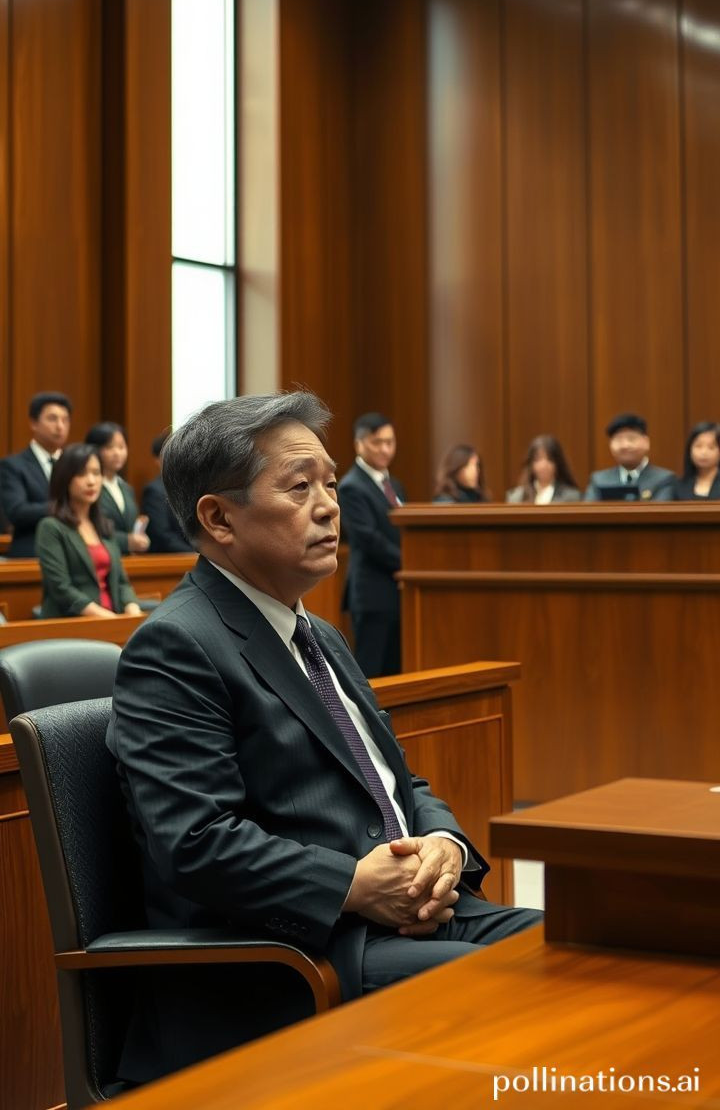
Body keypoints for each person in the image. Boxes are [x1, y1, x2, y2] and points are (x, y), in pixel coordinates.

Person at [106, 391, 541, 1085]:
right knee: (520, 990)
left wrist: (443, 846)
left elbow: (397, 782)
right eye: (299, 486)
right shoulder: (175, 646)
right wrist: (354, 885)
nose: (329, 506)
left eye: (331, 484)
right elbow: (195, 840)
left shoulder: (321, 635)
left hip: (402, 922)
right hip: (291, 956)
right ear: (218, 518)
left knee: (593, 954)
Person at [35, 443, 141, 618]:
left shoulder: (104, 526)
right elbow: (61, 588)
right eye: (81, 474)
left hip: (112, 618)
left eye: (96, 473)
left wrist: (132, 609)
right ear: (65, 478)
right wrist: (107, 618)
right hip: (73, 623)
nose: (91, 481)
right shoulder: (51, 527)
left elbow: (121, 582)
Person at [338, 412, 404, 677]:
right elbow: (368, 538)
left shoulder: (394, 484)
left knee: (396, 673)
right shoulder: (351, 486)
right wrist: (409, 562)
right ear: (359, 444)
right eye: (378, 442)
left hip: (398, 592)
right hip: (373, 594)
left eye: (390, 442)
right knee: (371, 674)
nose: (385, 449)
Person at [0, 391, 72, 556]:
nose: (60, 426)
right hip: (32, 551)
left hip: (71, 552)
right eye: (52, 419)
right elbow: (17, 512)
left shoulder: (75, 465)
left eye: (65, 420)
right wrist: (63, 508)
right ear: (33, 423)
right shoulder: (12, 466)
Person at [85, 421, 150, 554]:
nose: (117, 453)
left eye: (121, 447)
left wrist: (140, 538)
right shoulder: (89, 486)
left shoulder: (126, 488)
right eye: (109, 447)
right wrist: (127, 541)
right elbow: (89, 528)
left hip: (127, 559)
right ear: (95, 449)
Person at [584, 413, 676, 501]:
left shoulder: (664, 479)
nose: (625, 445)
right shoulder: (599, 480)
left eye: (631, 439)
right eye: (619, 440)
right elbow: (589, 510)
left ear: (646, 442)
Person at [140, 432, 194, 553]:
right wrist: (192, 553)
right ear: (158, 459)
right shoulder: (154, 491)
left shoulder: (190, 486)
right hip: (169, 557)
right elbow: (162, 535)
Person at [506, 435, 581, 504]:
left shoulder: (571, 497)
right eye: (538, 459)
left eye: (549, 459)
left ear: (557, 463)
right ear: (531, 463)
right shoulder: (516, 497)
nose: (544, 465)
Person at [673, 421, 720, 500]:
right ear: (690, 449)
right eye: (698, 446)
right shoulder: (679, 484)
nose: (704, 452)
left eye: (711, 447)